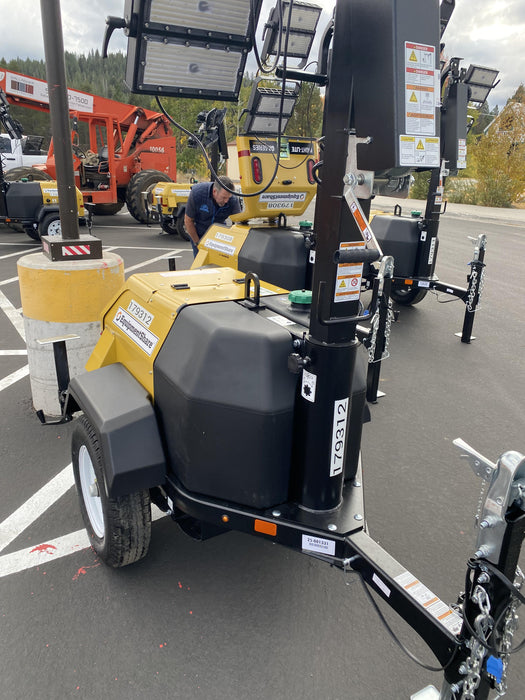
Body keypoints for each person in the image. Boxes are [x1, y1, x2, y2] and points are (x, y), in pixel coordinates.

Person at [184, 176, 241, 257]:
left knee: (220, 261)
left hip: (219, 235)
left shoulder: (233, 200)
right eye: (224, 197)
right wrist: (198, 243)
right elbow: (188, 221)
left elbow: (239, 223)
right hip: (199, 233)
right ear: (214, 192)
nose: (226, 201)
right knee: (201, 260)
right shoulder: (197, 193)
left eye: (228, 197)